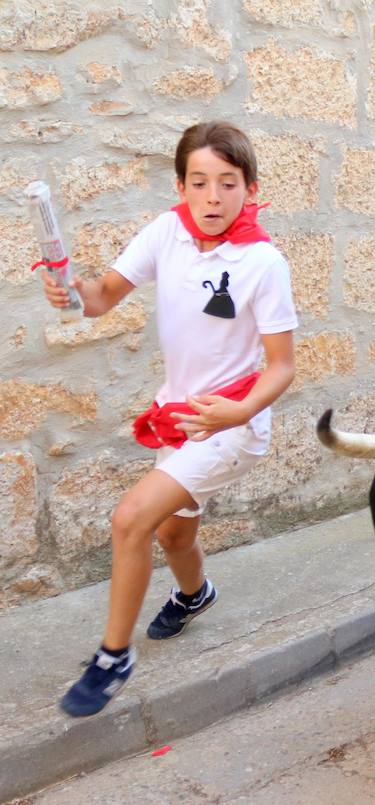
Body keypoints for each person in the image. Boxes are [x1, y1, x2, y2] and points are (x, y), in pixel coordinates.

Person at [42, 121, 299, 717]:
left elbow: (282, 366)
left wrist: (240, 410)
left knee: (131, 518)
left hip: (231, 423)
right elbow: (102, 296)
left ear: (249, 188)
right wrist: (72, 293)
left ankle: (113, 657)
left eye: (227, 184)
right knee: (172, 534)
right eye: (200, 182)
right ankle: (195, 593)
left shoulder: (263, 263)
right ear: (181, 186)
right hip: (178, 422)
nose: (213, 197)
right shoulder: (166, 233)